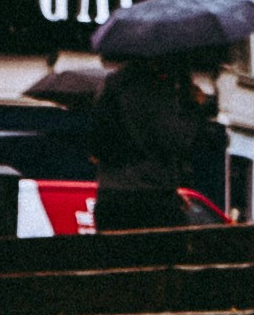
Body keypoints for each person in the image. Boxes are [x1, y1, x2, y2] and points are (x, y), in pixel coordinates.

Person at [81, 44, 225, 234]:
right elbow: (175, 139)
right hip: (148, 201)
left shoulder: (111, 85)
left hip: (110, 197)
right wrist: (194, 106)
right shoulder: (152, 89)